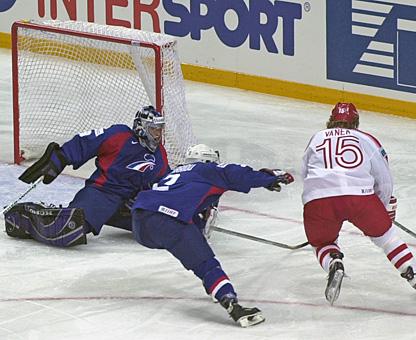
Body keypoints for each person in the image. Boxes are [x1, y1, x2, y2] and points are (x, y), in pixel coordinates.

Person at [131, 144, 294, 327]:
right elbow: (237, 174)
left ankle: (215, 286)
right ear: (208, 161)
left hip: (140, 222)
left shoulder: (177, 174)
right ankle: (231, 303)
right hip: (168, 220)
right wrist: (268, 178)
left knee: (193, 244)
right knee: (206, 264)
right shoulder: (207, 169)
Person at [301, 102, 416, 305]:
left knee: (322, 243)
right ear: (355, 122)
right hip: (360, 197)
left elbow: (306, 172)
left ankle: (334, 262)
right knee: (387, 238)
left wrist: (313, 200)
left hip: (318, 199)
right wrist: (382, 208)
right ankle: (414, 275)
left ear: (330, 121)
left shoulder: (317, 137)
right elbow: (384, 177)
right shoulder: (365, 138)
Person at [4, 105, 170, 247]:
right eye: (153, 129)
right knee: (67, 229)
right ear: (141, 127)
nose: (157, 134)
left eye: (159, 130)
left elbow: (166, 181)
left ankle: (112, 216)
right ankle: (26, 216)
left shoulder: (159, 154)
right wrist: (61, 157)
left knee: (164, 228)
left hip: (130, 202)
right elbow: (86, 141)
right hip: (103, 193)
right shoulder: (119, 135)